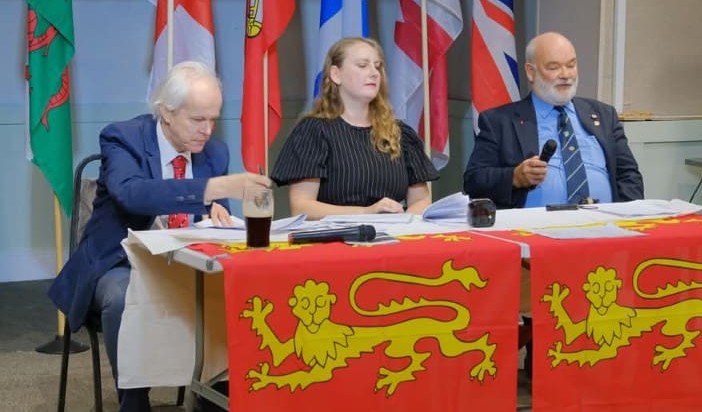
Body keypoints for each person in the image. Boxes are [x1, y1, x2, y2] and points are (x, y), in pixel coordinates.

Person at [48, 61, 271, 412]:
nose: (207, 130)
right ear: (166, 113)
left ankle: (214, 397)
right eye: (197, 119)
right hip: (119, 261)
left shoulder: (215, 152)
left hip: (188, 263)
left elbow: (217, 218)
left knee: (236, 291)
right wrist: (212, 188)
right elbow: (132, 194)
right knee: (123, 296)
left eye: (213, 119)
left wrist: (218, 213)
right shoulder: (123, 138)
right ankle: (135, 402)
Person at [464, 31, 643, 208]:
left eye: (571, 65)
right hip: (534, 224)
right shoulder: (499, 122)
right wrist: (515, 177)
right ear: (531, 72)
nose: (565, 74)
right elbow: (473, 181)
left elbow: (629, 176)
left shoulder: (604, 115)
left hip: (604, 221)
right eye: (554, 67)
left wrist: (626, 216)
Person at [271, 36, 439, 219]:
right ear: (336, 74)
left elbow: (421, 200)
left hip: (394, 233)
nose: (374, 73)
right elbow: (302, 208)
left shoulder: (401, 134)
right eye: (362, 65)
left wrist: (405, 220)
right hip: (338, 235)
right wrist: (367, 213)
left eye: (378, 66)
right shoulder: (314, 131)